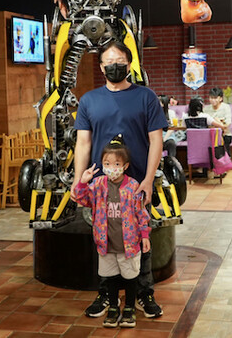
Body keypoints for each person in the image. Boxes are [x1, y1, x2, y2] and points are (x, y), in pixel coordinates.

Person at [73, 41, 166, 319]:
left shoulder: (146, 97)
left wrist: (148, 179)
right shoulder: (89, 100)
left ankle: (144, 294)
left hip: (136, 184)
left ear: (129, 63)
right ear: (101, 67)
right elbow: (83, 143)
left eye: (120, 61)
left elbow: (156, 140)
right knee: (106, 239)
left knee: (141, 238)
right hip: (102, 186)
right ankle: (106, 294)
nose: (115, 66)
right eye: (109, 62)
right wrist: (78, 181)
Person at [73, 139, 151, 328]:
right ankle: (113, 307)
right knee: (111, 277)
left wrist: (145, 235)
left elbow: (141, 213)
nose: (111, 168)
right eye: (107, 164)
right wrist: (83, 182)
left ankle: (129, 308)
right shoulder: (98, 185)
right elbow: (82, 199)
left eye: (116, 164)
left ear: (125, 166)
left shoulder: (133, 186)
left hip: (129, 244)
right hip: (105, 244)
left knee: (130, 276)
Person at [205, 87, 232, 152]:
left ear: (220, 99)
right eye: (211, 98)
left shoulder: (226, 107)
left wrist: (216, 122)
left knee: (224, 140)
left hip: (224, 135)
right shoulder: (206, 109)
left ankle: (225, 157)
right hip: (210, 134)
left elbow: (228, 123)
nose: (213, 100)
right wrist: (218, 122)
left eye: (215, 98)